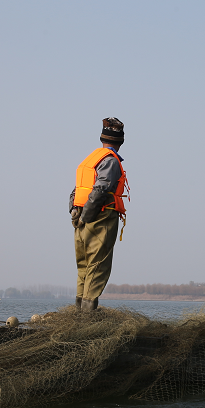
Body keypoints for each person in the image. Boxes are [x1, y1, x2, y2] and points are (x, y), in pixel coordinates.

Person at [69, 118, 128, 311]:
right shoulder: (110, 161)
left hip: (80, 216)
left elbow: (76, 190)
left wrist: (75, 212)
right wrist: (87, 216)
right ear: (121, 141)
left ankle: (79, 310)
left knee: (83, 264)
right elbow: (101, 189)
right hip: (99, 217)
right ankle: (88, 314)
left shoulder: (90, 159)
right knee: (98, 264)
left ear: (102, 138)